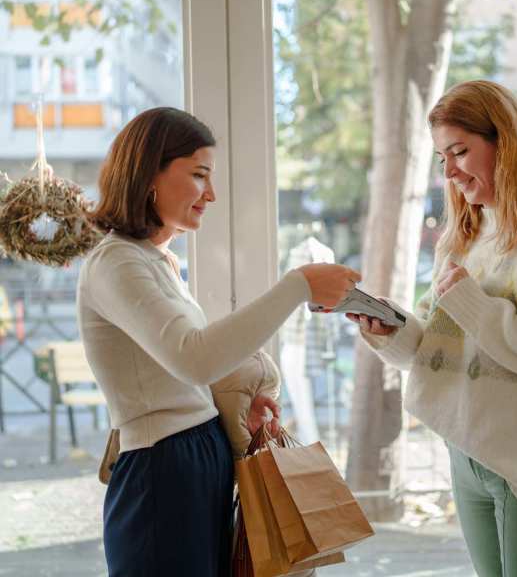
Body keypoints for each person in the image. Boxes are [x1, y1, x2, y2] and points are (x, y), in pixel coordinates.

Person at [78, 107, 359, 577]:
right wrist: (298, 287)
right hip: (160, 470)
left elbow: (180, 373)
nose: (211, 194)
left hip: (194, 459)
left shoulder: (156, 261)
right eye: (199, 175)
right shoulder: (116, 264)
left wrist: (233, 410)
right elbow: (194, 357)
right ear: (149, 174)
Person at [348, 80, 517, 577]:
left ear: (505, 143)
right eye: (442, 157)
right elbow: (439, 347)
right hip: (466, 452)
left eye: (460, 151)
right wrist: (389, 332)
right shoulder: (463, 235)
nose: (451, 171)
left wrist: (471, 304)